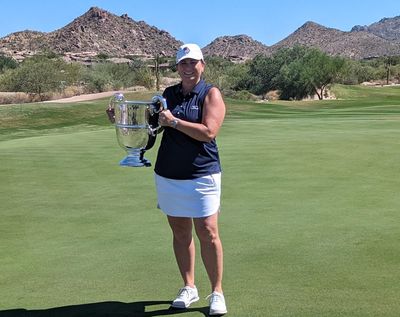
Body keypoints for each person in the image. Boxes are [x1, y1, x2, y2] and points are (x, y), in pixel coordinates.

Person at [155, 43, 227, 316]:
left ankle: (217, 292)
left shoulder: (210, 93)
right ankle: (189, 287)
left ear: (202, 65)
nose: (188, 68)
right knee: (180, 232)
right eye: (183, 63)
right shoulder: (168, 94)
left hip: (202, 173)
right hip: (169, 173)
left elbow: (209, 132)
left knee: (208, 232)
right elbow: (153, 129)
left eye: (192, 63)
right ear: (177, 67)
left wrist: (174, 122)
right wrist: (124, 121)